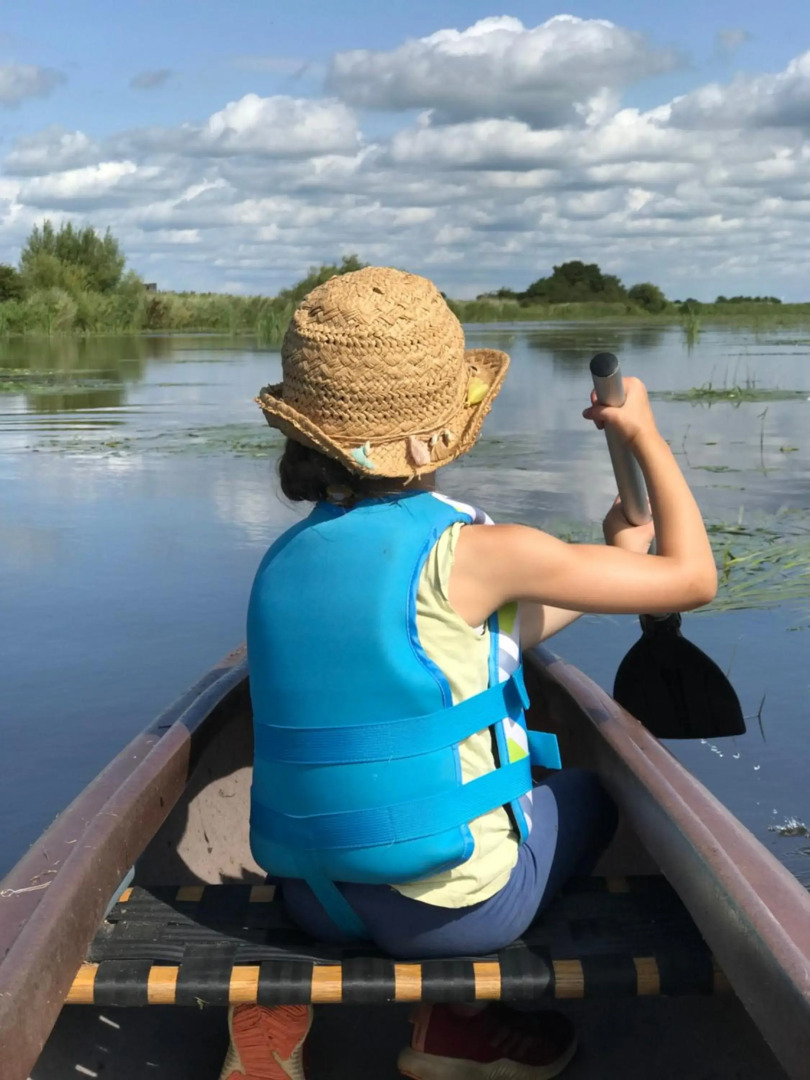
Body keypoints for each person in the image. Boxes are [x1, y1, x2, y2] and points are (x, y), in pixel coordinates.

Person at [220, 267, 717, 1080]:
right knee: (590, 795)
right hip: (456, 916)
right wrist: (644, 438)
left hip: (315, 900)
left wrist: (610, 560)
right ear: (441, 428)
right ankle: (456, 1022)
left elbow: (479, 636)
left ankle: (335, 1021)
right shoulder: (481, 552)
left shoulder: (286, 558)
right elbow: (694, 577)